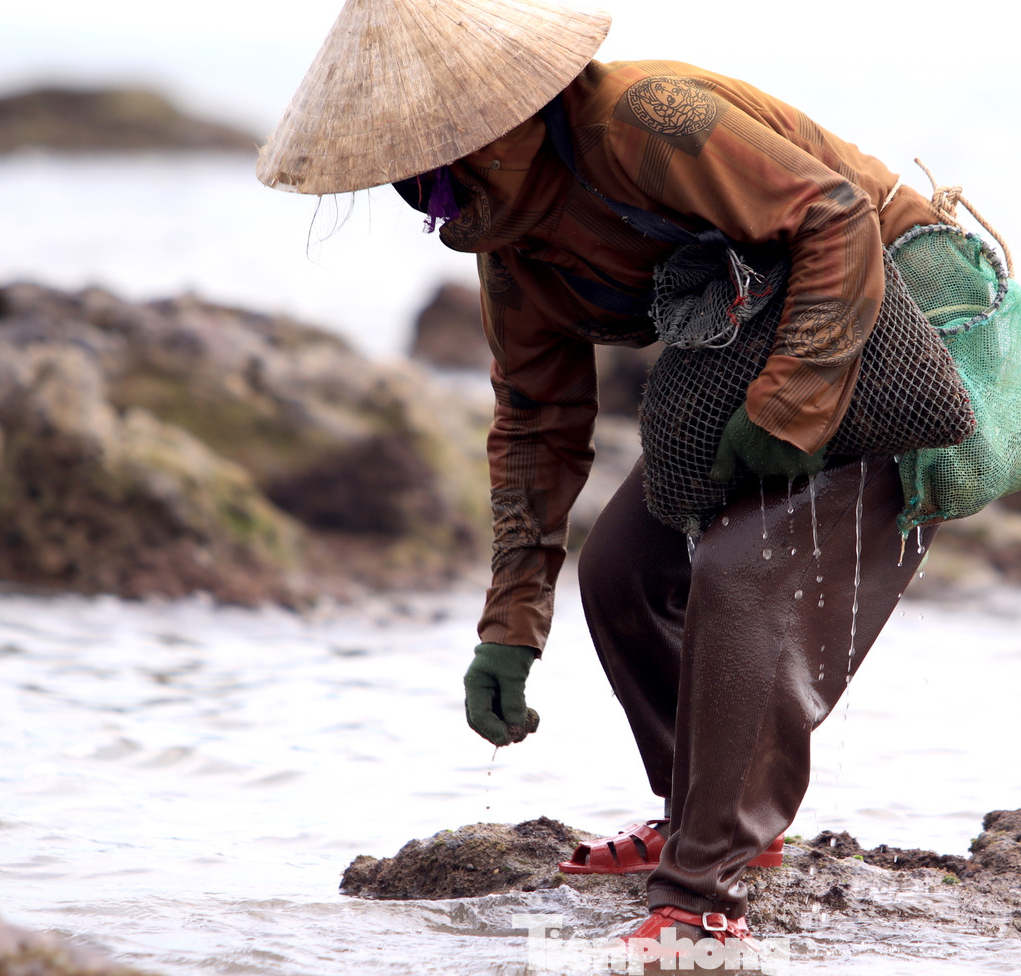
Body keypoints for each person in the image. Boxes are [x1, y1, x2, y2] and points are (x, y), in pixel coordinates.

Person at [257, 0, 961, 960]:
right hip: (760, 363)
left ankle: (702, 898)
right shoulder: (511, 248)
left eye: (438, 175)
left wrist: (785, 416)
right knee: (622, 570)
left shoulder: (643, 120)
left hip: (897, 338)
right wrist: (509, 627)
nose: (437, 206)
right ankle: (704, 822)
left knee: (739, 573)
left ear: (496, 121)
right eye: (413, 191)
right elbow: (538, 424)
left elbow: (834, 219)